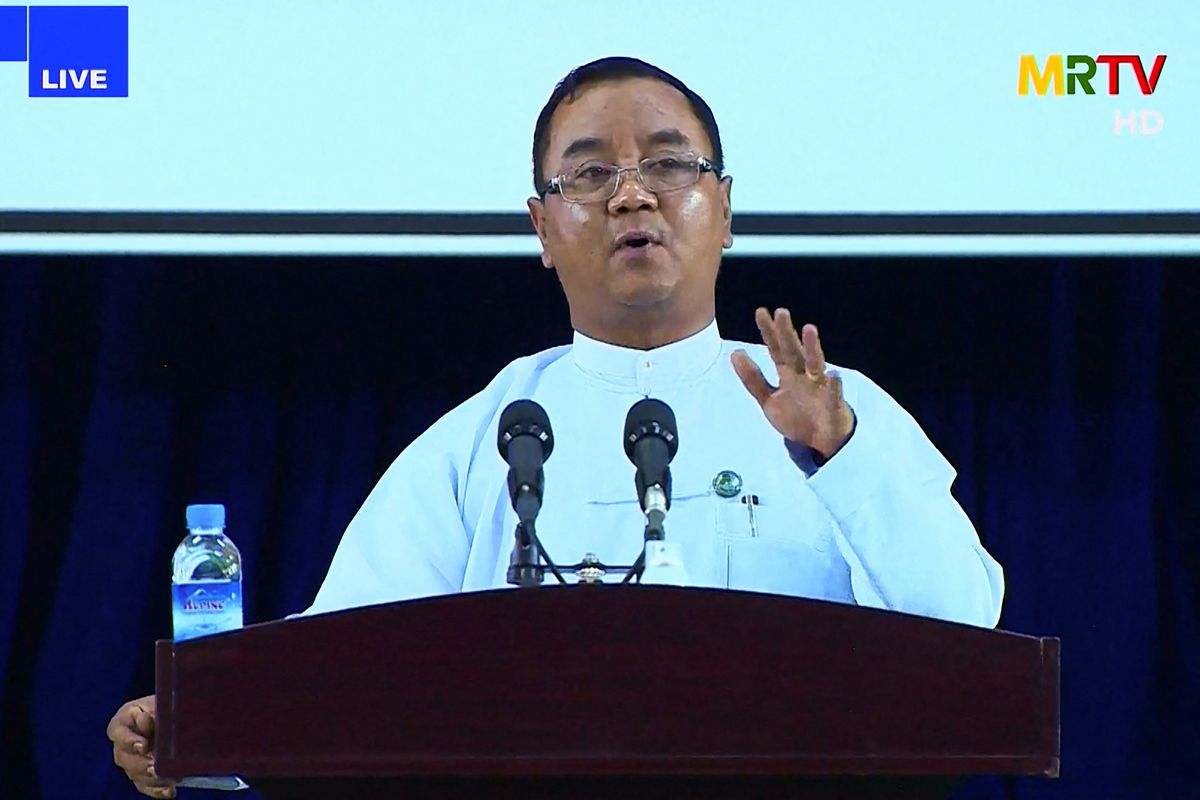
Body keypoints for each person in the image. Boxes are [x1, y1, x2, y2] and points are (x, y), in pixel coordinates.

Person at [109, 56, 1004, 797]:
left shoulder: (831, 411)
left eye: (667, 164)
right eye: (589, 174)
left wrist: (841, 456)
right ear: (543, 227)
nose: (631, 197)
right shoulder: (486, 436)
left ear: (723, 208)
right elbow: (337, 672)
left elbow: (964, 630)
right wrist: (198, 727)